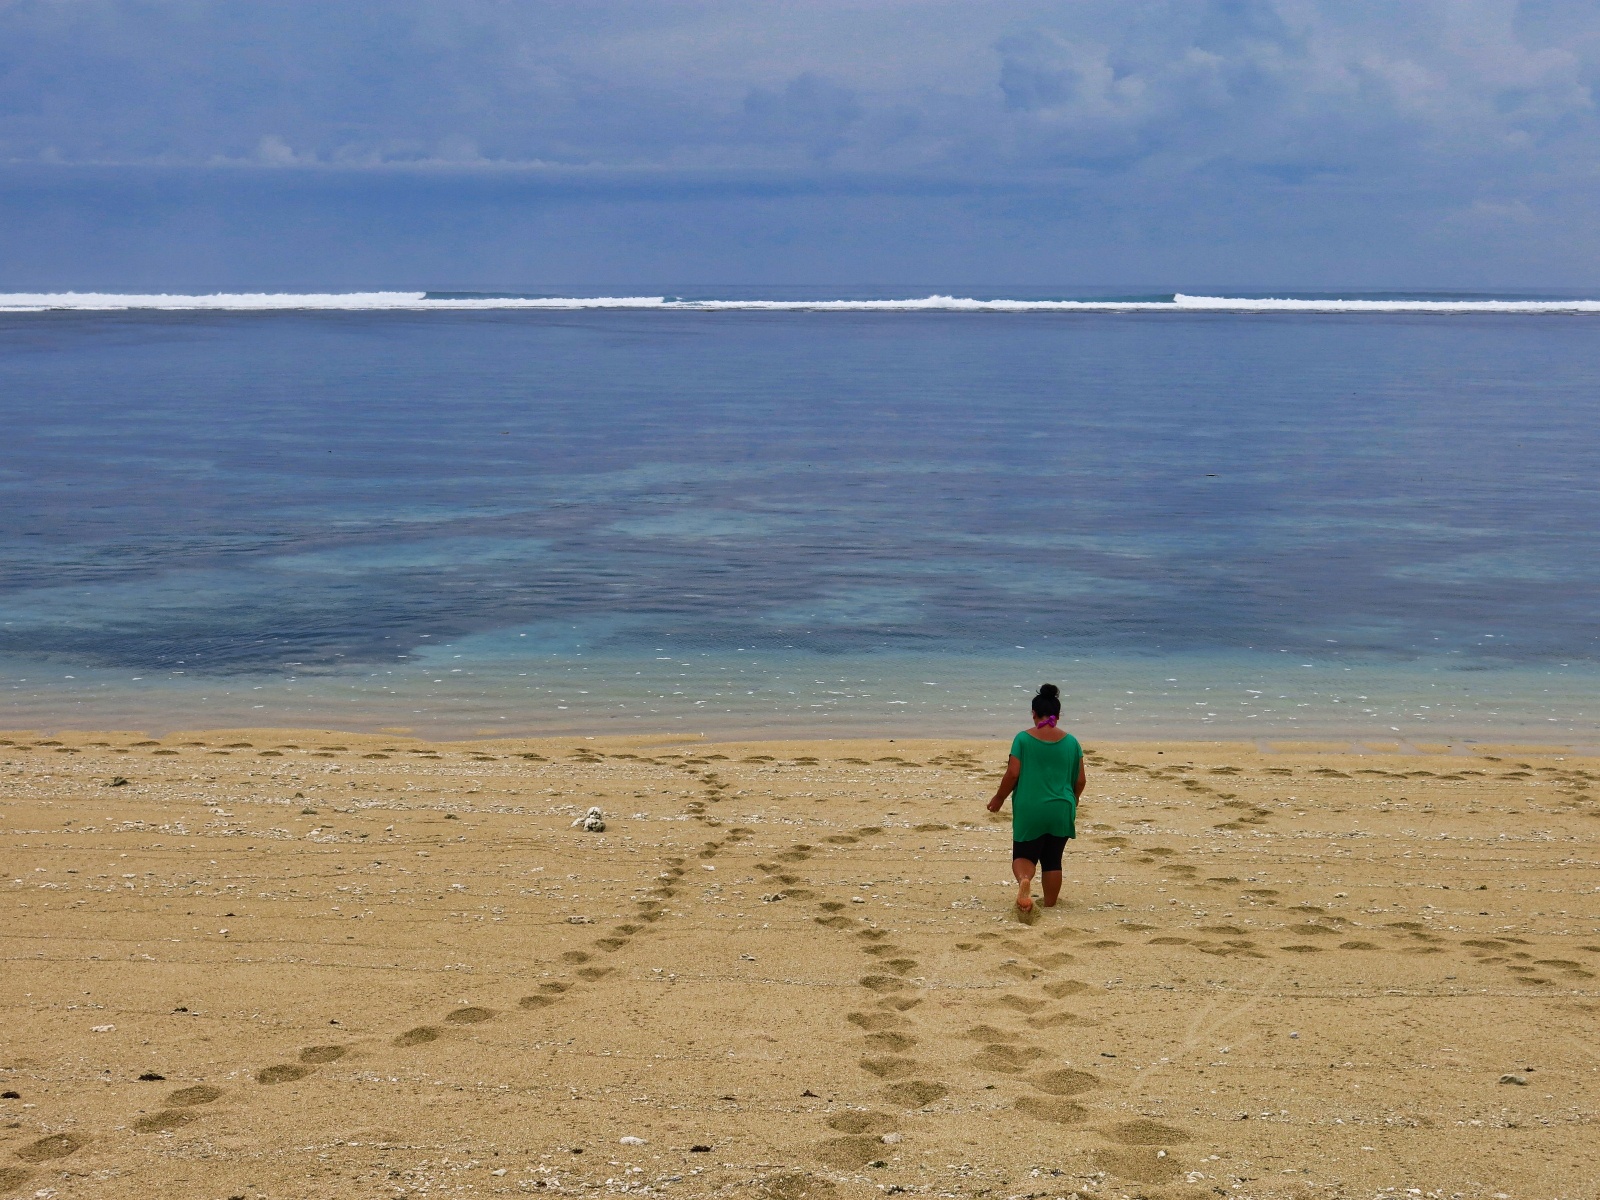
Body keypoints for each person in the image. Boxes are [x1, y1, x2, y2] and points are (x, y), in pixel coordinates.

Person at [985, 683, 1086, 913]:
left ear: (1033, 713)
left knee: (1024, 853)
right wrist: (1074, 800)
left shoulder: (1023, 739)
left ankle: (1024, 881)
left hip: (1030, 808)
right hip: (1061, 807)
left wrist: (999, 798)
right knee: (1053, 859)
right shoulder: (1072, 742)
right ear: (1058, 715)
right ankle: (1049, 904)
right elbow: (1080, 780)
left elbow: (1013, 773)